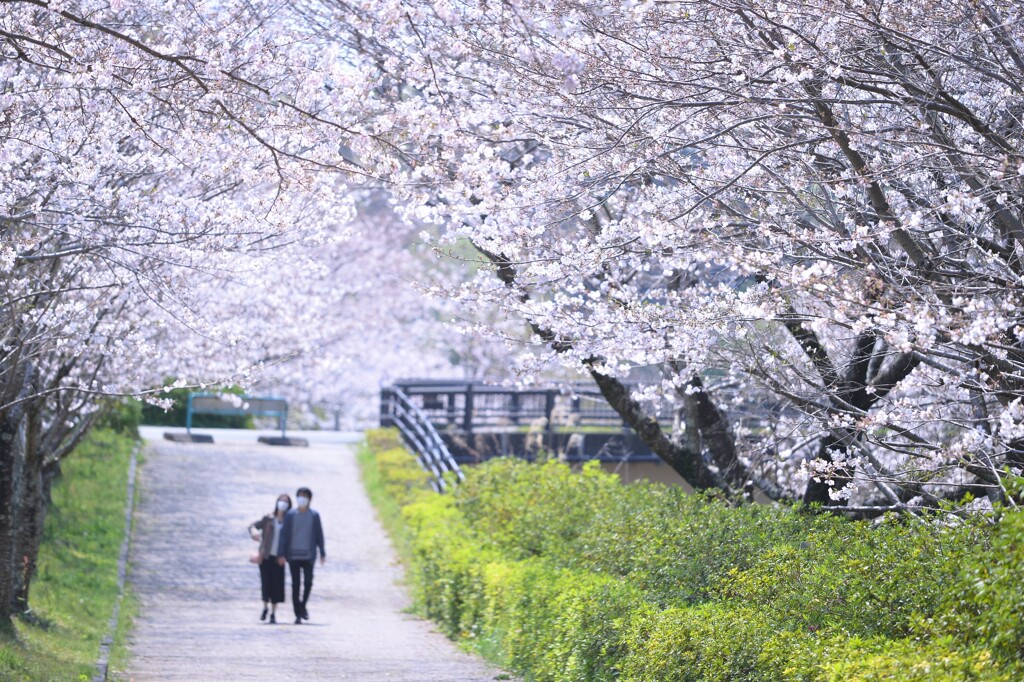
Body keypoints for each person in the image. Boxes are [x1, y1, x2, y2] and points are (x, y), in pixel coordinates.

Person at [277, 486, 325, 624]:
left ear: (309, 499)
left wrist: (322, 551)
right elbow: (284, 535)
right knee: (295, 585)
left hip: (308, 555)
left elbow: (319, 534)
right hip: (293, 556)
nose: (302, 499)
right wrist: (281, 553)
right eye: (300, 496)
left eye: (305, 496)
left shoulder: (314, 515)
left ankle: (303, 605)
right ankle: (297, 613)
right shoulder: (291, 515)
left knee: (308, 582)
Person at [248, 493, 292, 624]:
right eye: (281, 501)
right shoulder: (268, 518)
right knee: (266, 583)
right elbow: (253, 526)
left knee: (277, 586)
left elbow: (291, 541)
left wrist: (285, 556)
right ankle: (265, 607)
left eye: (285, 502)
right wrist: (254, 533)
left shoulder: (289, 521)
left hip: (279, 558)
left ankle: (273, 613)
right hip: (266, 556)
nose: (282, 504)